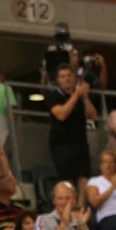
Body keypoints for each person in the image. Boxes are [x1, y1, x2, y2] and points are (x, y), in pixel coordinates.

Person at [47, 63, 97, 207]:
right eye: (63, 76)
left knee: (83, 178)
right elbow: (61, 114)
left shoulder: (80, 96)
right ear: (58, 80)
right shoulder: (53, 96)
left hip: (80, 143)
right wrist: (76, 95)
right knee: (66, 180)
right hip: (61, 145)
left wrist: (85, 97)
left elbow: (92, 115)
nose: (67, 79)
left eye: (69, 76)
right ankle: (67, 209)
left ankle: (80, 209)